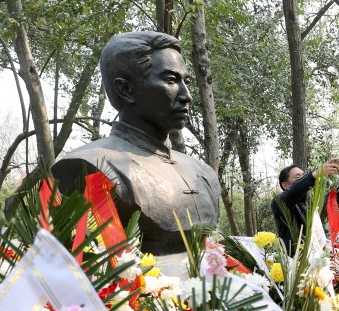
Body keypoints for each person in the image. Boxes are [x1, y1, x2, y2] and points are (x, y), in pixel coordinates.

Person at [51, 31, 221, 257]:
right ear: (126, 89)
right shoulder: (89, 165)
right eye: (171, 80)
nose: (187, 95)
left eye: (186, 81)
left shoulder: (203, 172)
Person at [272, 159, 339, 253]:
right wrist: (317, 173)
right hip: (295, 262)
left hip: (319, 259)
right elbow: (293, 192)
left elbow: (335, 202)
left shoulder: (314, 202)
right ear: (285, 185)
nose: (303, 179)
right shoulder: (279, 202)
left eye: (304, 176)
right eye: (298, 177)